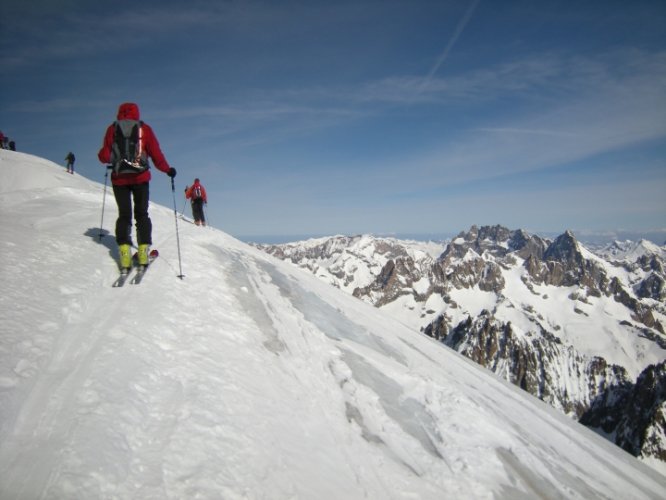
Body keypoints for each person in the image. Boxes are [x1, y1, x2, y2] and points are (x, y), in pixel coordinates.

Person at [98, 102, 176, 271]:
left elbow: (104, 156)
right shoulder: (144, 129)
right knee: (142, 214)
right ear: (136, 113)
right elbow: (156, 153)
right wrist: (167, 170)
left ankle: (124, 253)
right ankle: (142, 252)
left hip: (119, 179)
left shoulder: (112, 129)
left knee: (124, 215)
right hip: (140, 178)